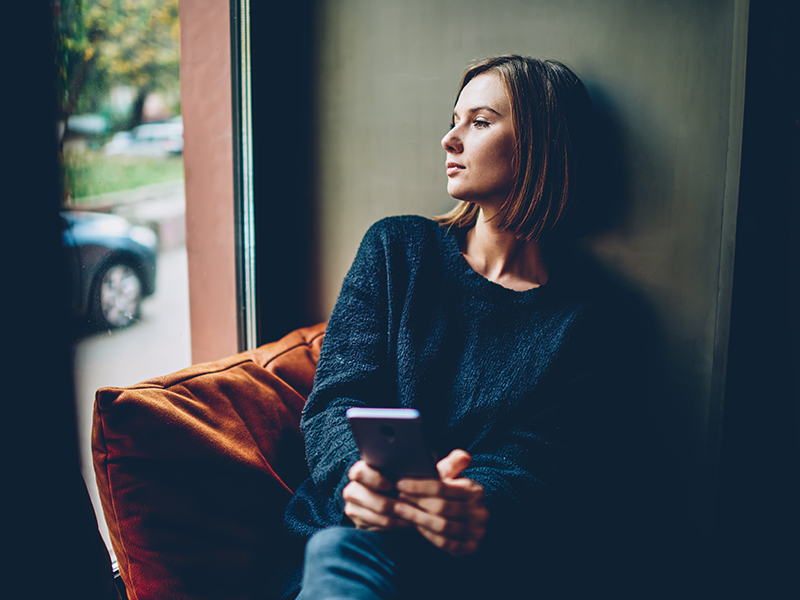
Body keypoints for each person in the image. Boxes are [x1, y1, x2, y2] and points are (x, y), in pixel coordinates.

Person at [270, 55, 652, 600]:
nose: (450, 140)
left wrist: (470, 501)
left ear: (542, 143)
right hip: (347, 536)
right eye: (454, 120)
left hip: (469, 567)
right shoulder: (397, 249)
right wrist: (359, 478)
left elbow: (536, 462)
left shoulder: (590, 319)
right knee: (342, 556)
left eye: (479, 121)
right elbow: (335, 399)